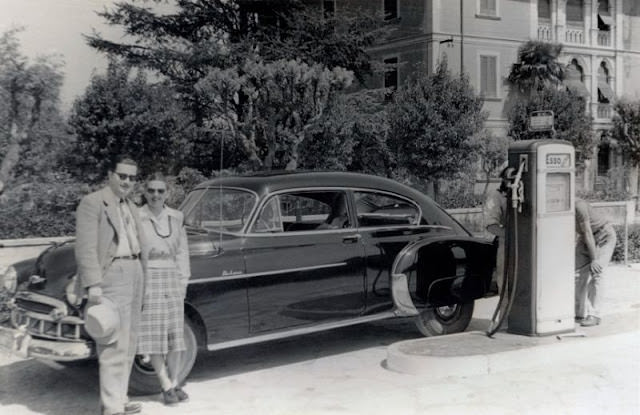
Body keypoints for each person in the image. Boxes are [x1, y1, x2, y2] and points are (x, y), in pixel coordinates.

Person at [75, 155, 146, 415]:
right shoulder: (93, 203)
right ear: (110, 175)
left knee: (130, 342)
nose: (127, 181)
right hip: (111, 276)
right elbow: (85, 248)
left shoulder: (131, 205)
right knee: (112, 343)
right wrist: (94, 283)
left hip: (135, 270)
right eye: (122, 176)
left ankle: (121, 398)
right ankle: (111, 408)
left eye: (132, 177)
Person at [137, 173, 190, 405]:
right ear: (145, 193)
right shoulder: (138, 217)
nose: (155, 195)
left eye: (160, 191)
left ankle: (176, 381)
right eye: (151, 191)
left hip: (173, 279)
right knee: (154, 336)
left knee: (175, 335)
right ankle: (165, 385)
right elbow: (137, 254)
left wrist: (183, 281)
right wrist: (143, 286)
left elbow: (182, 252)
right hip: (149, 278)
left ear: (167, 194)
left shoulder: (176, 217)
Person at [575, 198, 616, 327]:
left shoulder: (579, 205)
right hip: (586, 237)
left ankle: (594, 315)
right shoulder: (562, 206)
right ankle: (578, 312)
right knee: (576, 273)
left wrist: (594, 259)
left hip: (603, 235)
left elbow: (587, 231)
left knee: (597, 272)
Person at [483, 167, 510, 293]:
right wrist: (509, 235)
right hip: (508, 245)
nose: (512, 183)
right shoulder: (497, 196)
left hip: (531, 245)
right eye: (508, 179)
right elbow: (490, 224)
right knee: (506, 283)